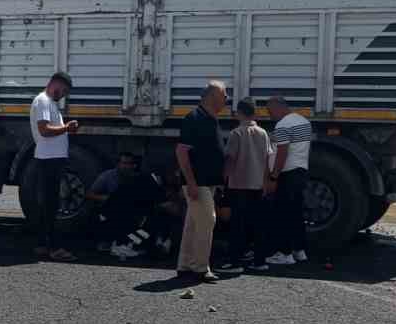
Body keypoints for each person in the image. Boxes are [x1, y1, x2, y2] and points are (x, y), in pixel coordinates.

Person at [174, 80, 228, 282]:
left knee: (193, 224)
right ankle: (200, 268)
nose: (226, 99)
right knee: (207, 220)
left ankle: (185, 265)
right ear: (213, 96)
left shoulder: (210, 118)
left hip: (207, 182)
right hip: (198, 182)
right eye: (224, 95)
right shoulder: (194, 117)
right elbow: (181, 151)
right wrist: (191, 182)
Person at [30, 70, 79, 261]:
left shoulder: (49, 103)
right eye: (63, 90)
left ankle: (43, 244)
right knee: (52, 205)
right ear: (53, 83)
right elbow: (44, 130)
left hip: (50, 158)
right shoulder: (43, 101)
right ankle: (55, 248)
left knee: (48, 205)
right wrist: (67, 128)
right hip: (49, 159)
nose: (63, 95)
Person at [221, 99, 271, 271]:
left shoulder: (237, 133)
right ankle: (260, 261)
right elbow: (267, 160)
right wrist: (265, 182)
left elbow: (230, 158)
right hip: (257, 185)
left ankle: (235, 262)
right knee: (258, 225)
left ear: (239, 113)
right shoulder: (263, 133)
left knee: (237, 225)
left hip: (238, 184)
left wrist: (223, 179)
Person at [264, 94, 313, 266]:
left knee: (283, 214)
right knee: (296, 214)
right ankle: (299, 251)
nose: (270, 115)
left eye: (270, 111)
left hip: (288, 174)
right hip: (301, 171)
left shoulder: (282, 125)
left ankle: (284, 254)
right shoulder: (303, 121)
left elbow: (282, 153)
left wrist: (273, 176)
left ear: (279, 107)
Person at [86, 150, 162, 259]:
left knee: (148, 227)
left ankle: (128, 243)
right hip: (111, 213)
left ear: (134, 165)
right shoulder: (107, 176)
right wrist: (108, 198)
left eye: (130, 164)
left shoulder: (138, 179)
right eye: (124, 163)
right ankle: (117, 243)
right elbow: (89, 194)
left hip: (130, 215)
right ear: (118, 164)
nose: (127, 166)